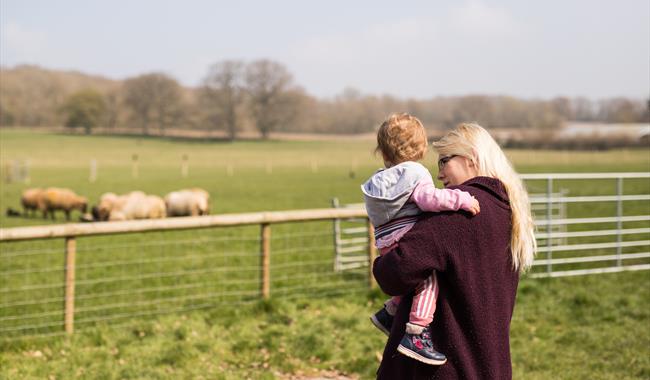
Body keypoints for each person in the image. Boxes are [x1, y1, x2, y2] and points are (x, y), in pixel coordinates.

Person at [373, 123, 536, 379]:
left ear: (471, 157)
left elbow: (394, 273)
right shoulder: (506, 210)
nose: (438, 175)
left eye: (444, 161)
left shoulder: (457, 212)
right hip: (488, 365)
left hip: (443, 369)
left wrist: (381, 260)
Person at [362, 113, 480, 365]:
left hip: (385, 243)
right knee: (428, 281)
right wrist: (462, 199)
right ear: (422, 148)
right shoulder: (415, 173)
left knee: (410, 279)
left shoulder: (378, 180)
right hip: (406, 236)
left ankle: (389, 314)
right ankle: (416, 334)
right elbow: (430, 200)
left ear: (383, 152)